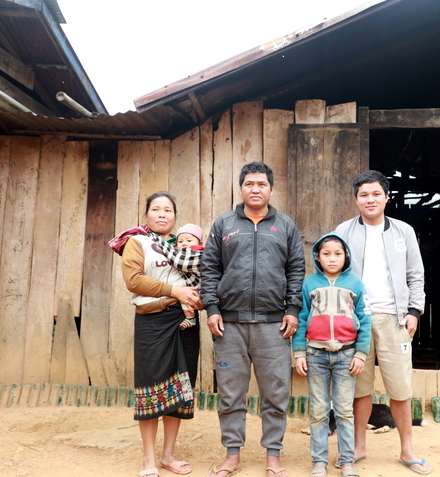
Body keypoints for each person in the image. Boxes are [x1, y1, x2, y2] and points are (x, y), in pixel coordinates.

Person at [200, 161, 306, 477]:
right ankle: (232, 454)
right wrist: (212, 308)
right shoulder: (224, 224)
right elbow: (209, 268)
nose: (255, 189)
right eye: (249, 184)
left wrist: (292, 309)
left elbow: (296, 270)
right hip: (228, 325)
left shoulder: (285, 226)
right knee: (231, 392)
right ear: (241, 187)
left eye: (261, 184)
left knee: (275, 392)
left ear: (271, 189)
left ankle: (273, 455)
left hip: (273, 325)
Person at [335, 170, 433, 475]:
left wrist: (414, 311)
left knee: (400, 388)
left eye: (376, 193)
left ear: (386, 197)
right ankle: (359, 446)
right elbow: (333, 269)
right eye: (363, 194)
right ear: (355, 199)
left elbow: (416, 274)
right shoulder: (344, 230)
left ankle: (407, 450)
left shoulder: (403, 231)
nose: (370, 199)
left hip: (394, 320)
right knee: (359, 388)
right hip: (356, 320)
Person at [113, 191, 203, 477]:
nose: (162, 214)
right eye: (156, 209)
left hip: (185, 321)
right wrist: (173, 291)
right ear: (147, 215)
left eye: (168, 210)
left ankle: (168, 455)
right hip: (152, 322)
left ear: (175, 216)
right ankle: (148, 458)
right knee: (151, 388)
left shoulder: (183, 246)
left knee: (180, 386)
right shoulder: (137, 242)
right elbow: (134, 281)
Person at [292, 232, 371, 477]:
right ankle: (319, 462)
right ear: (317, 256)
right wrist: (299, 353)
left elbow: (366, 321)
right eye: (326, 254)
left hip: (346, 356)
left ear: (346, 256)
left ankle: (347, 461)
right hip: (315, 354)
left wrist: (360, 354)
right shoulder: (309, 284)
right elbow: (302, 319)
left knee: (345, 410)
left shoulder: (356, 284)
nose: (332, 259)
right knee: (318, 410)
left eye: (338, 254)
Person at [173, 223, 205, 330]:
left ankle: (191, 317)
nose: (184, 243)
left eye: (189, 240)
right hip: (188, 287)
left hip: (200, 286)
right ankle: (190, 318)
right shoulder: (178, 252)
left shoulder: (198, 253)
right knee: (185, 297)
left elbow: (181, 264)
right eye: (180, 241)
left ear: (199, 243)